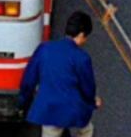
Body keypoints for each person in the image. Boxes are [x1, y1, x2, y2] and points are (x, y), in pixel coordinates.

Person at [19, 9, 100, 137]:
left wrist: (23, 102)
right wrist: (92, 102)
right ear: (81, 35)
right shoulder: (82, 58)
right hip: (74, 110)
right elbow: (88, 89)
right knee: (86, 130)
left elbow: (28, 80)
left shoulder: (44, 49)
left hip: (49, 110)